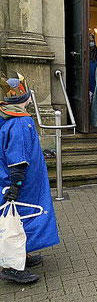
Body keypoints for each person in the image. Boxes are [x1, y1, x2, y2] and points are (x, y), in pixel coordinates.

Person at [0, 72, 60, 284]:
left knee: (20, 220)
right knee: (19, 221)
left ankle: (22, 255)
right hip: (22, 185)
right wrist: (15, 185)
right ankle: (12, 267)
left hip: (23, 183)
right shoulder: (20, 123)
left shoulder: (8, 119)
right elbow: (17, 158)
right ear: (25, 99)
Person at [89, 34, 97, 99]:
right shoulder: (85, 51)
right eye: (90, 41)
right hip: (88, 74)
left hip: (95, 74)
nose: (91, 42)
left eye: (92, 41)